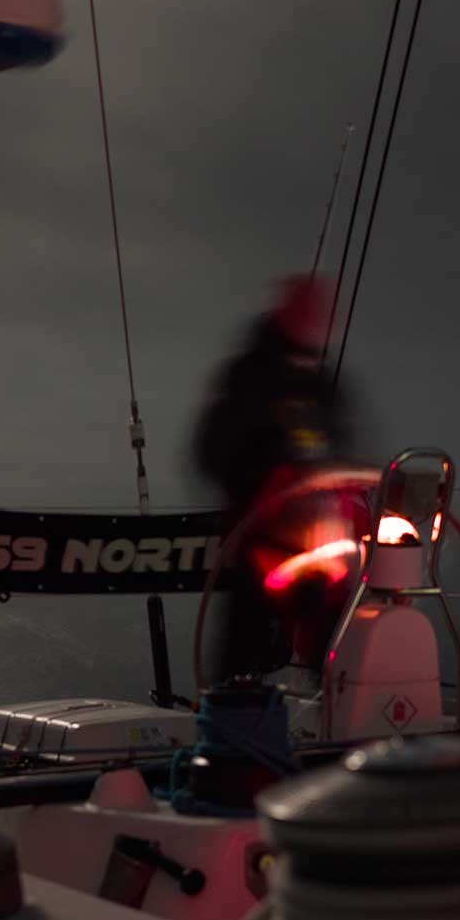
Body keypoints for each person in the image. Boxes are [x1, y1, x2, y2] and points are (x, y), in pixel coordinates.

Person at [192, 275, 365, 683]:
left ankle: (343, 709)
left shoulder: (320, 384)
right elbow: (211, 451)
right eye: (307, 310)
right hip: (260, 547)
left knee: (337, 650)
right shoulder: (247, 377)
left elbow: (342, 449)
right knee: (242, 653)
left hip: (320, 550)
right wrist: (267, 487)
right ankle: (230, 715)